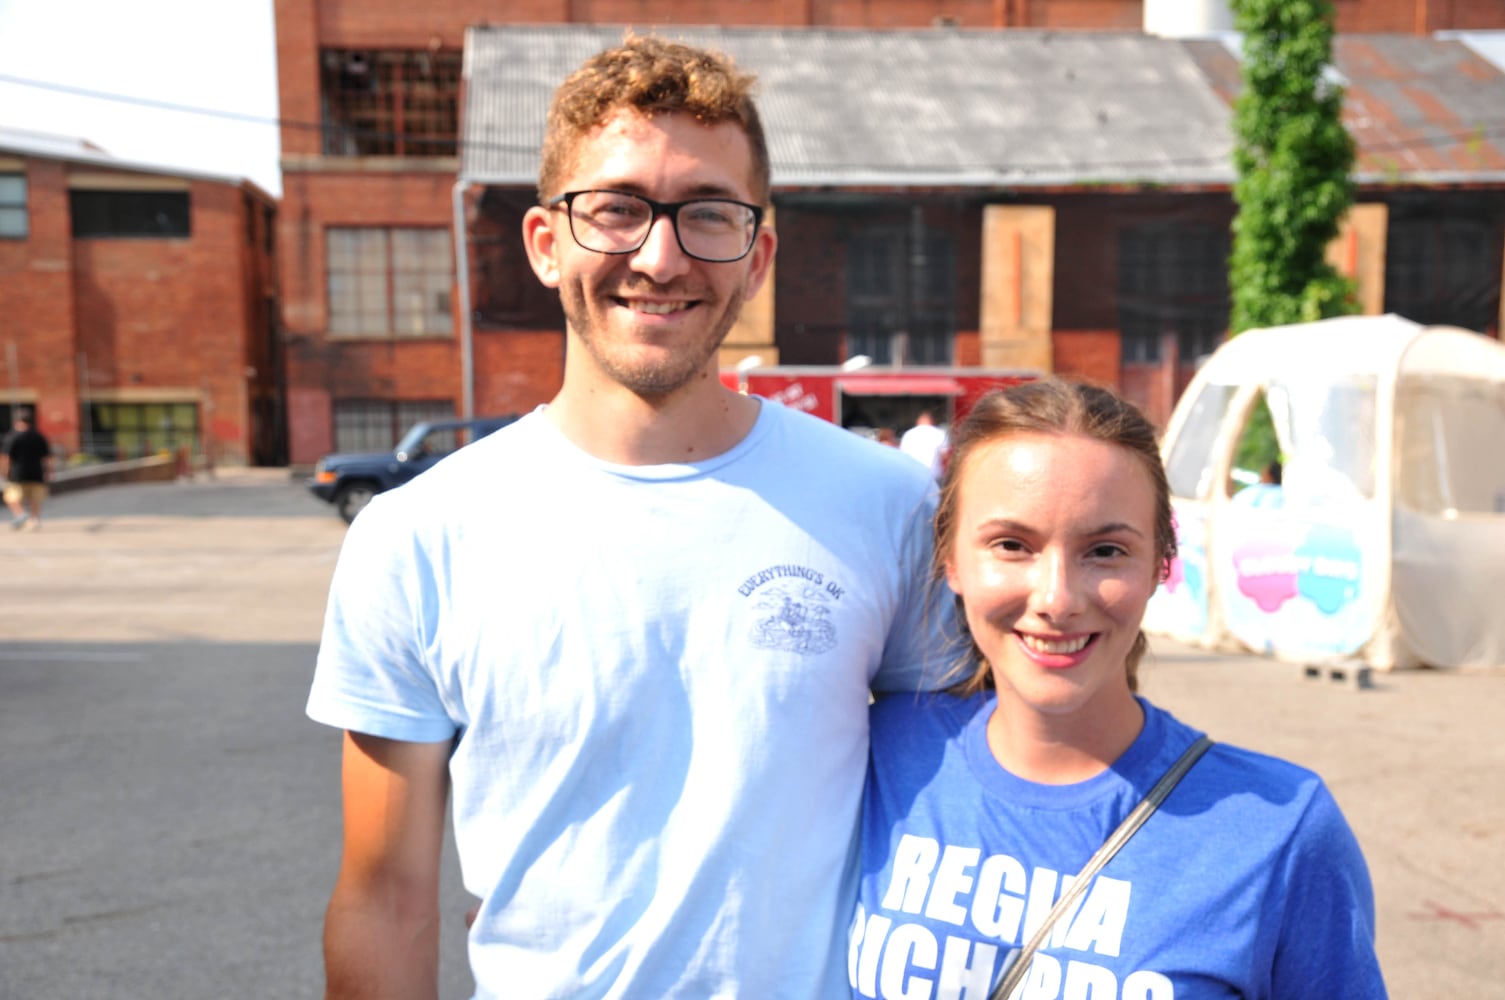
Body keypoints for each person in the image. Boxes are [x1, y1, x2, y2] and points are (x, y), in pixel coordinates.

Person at [307, 34, 945, 1000]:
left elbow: (956, 826)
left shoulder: (887, 504)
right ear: (545, 241)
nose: (660, 255)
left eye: (707, 214)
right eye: (616, 210)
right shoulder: (416, 536)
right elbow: (384, 897)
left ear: (757, 254)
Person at [850, 379, 1387, 999]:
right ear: (950, 559)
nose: (1056, 599)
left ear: (1163, 561)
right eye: (1011, 545)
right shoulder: (884, 753)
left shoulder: (1280, 829)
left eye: (1105, 551)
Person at [3, 411, 52, 531]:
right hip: (36, 471)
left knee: (11, 497)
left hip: (17, 472)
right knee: (35, 497)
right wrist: (49, 471)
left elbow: (6, 457)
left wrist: (4, 471)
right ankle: (34, 519)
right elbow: (47, 457)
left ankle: (21, 514)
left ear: (16, 422)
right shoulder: (39, 436)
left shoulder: (12, 437)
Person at [899, 408, 947, 479]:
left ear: (918, 421)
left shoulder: (908, 434)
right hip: (933, 474)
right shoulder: (939, 433)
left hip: (913, 474)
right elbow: (945, 455)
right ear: (931, 421)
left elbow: (902, 456)